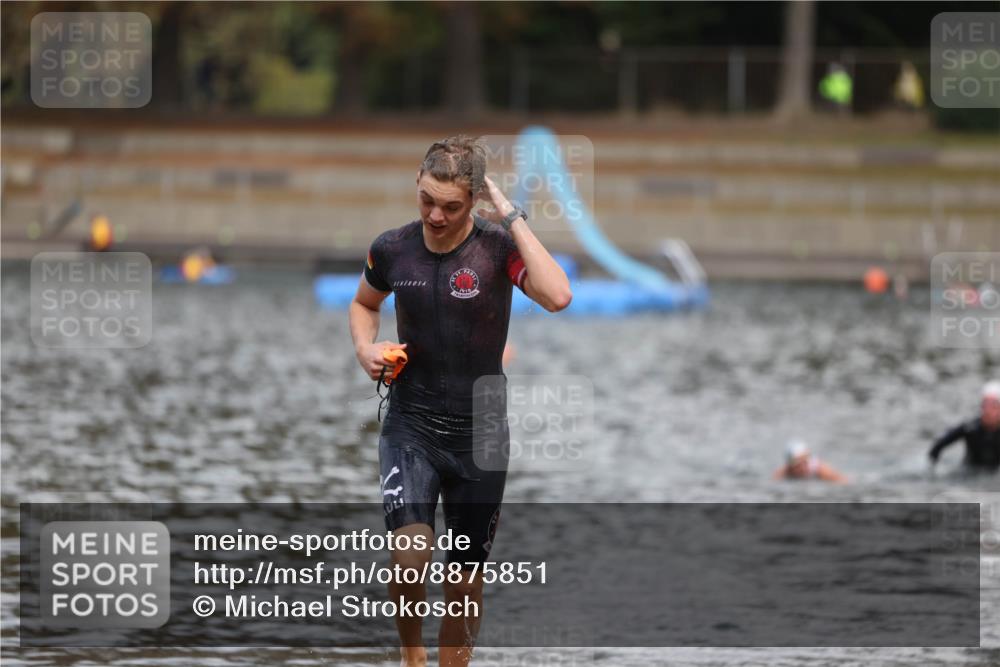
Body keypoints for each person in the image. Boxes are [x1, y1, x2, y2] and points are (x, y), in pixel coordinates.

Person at [349, 136, 572, 667]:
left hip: (481, 434)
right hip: (412, 424)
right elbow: (364, 304)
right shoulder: (392, 248)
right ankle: (412, 656)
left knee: (465, 583)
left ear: (475, 199)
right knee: (410, 557)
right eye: (427, 200)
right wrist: (365, 349)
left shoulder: (497, 249)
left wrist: (510, 215)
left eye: (450, 206)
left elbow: (558, 296)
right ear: (417, 184)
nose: (435, 215)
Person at [928, 382, 1000, 473]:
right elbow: (938, 446)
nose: (988, 410)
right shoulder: (970, 428)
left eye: (993, 406)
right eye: (985, 404)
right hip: (969, 474)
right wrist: (932, 468)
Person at [773, 440, 847, 483]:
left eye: (804, 462)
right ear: (791, 466)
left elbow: (844, 482)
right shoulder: (784, 472)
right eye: (798, 465)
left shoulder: (820, 469)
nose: (802, 468)